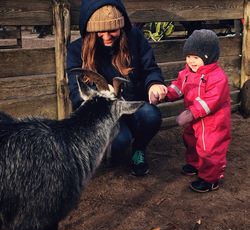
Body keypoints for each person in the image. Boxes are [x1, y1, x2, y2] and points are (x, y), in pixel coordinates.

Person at [66, 0, 167, 176]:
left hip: (131, 103)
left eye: (112, 29)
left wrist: (154, 84)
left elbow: (150, 68)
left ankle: (139, 149)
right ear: (90, 29)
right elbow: (75, 91)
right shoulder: (77, 50)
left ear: (122, 25)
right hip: (106, 113)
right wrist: (93, 100)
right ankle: (114, 150)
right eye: (100, 31)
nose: (106, 36)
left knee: (151, 115)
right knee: (120, 143)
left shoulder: (134, 38)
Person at [165, 29, 231, 192]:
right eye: (188, 56)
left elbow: (212, 101)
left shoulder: (218, 77)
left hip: (212, 122)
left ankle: (210, 179)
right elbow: (179, 85)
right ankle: (195, 164)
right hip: (194, 119)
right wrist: (168, 93)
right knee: (191, 141)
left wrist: (191, 113)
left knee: (210, 148)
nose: (191, 61)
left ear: (208, 57)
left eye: (196, 57)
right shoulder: (188, 72)